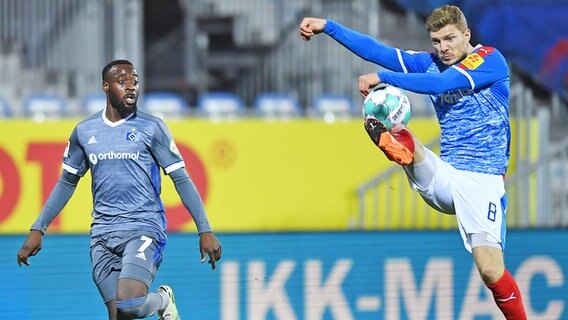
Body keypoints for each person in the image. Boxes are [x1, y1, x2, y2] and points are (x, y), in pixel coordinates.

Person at [300, 5, 526, 319]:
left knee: (490, 271)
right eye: (436, 41)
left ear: (466, 35)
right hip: (445, 176)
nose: (443, 48)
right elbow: (377, 50)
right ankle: (397, 146)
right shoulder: (430, 62)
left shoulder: (489, 60)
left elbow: (441, 85)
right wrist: (328, 26)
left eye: (449, 39)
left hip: (482, 181)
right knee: (404, 136)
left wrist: (383, 78)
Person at [16, 59, 222, 320]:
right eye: (122, 81)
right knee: (119, 316)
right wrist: (38, 228)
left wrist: (205, 229)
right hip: (102, 234)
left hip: (143, 227)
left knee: (131, 304)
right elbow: (67, 181)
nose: (131, 87)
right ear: (106, 86)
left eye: (134, 81)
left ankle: (162, 300)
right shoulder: (84, 131)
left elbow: (180, 179)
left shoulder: (152, 127)